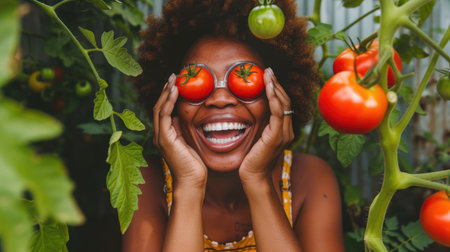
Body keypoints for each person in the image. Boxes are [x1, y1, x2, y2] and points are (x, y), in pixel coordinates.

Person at [124, 0, 344, 251]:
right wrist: (188, 184)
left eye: (244, 78)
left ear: (278, 100)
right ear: (170, 104)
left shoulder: (309, 179)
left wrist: (258, 180)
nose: (219, 99)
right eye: (195, 80)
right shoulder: (147, 181)